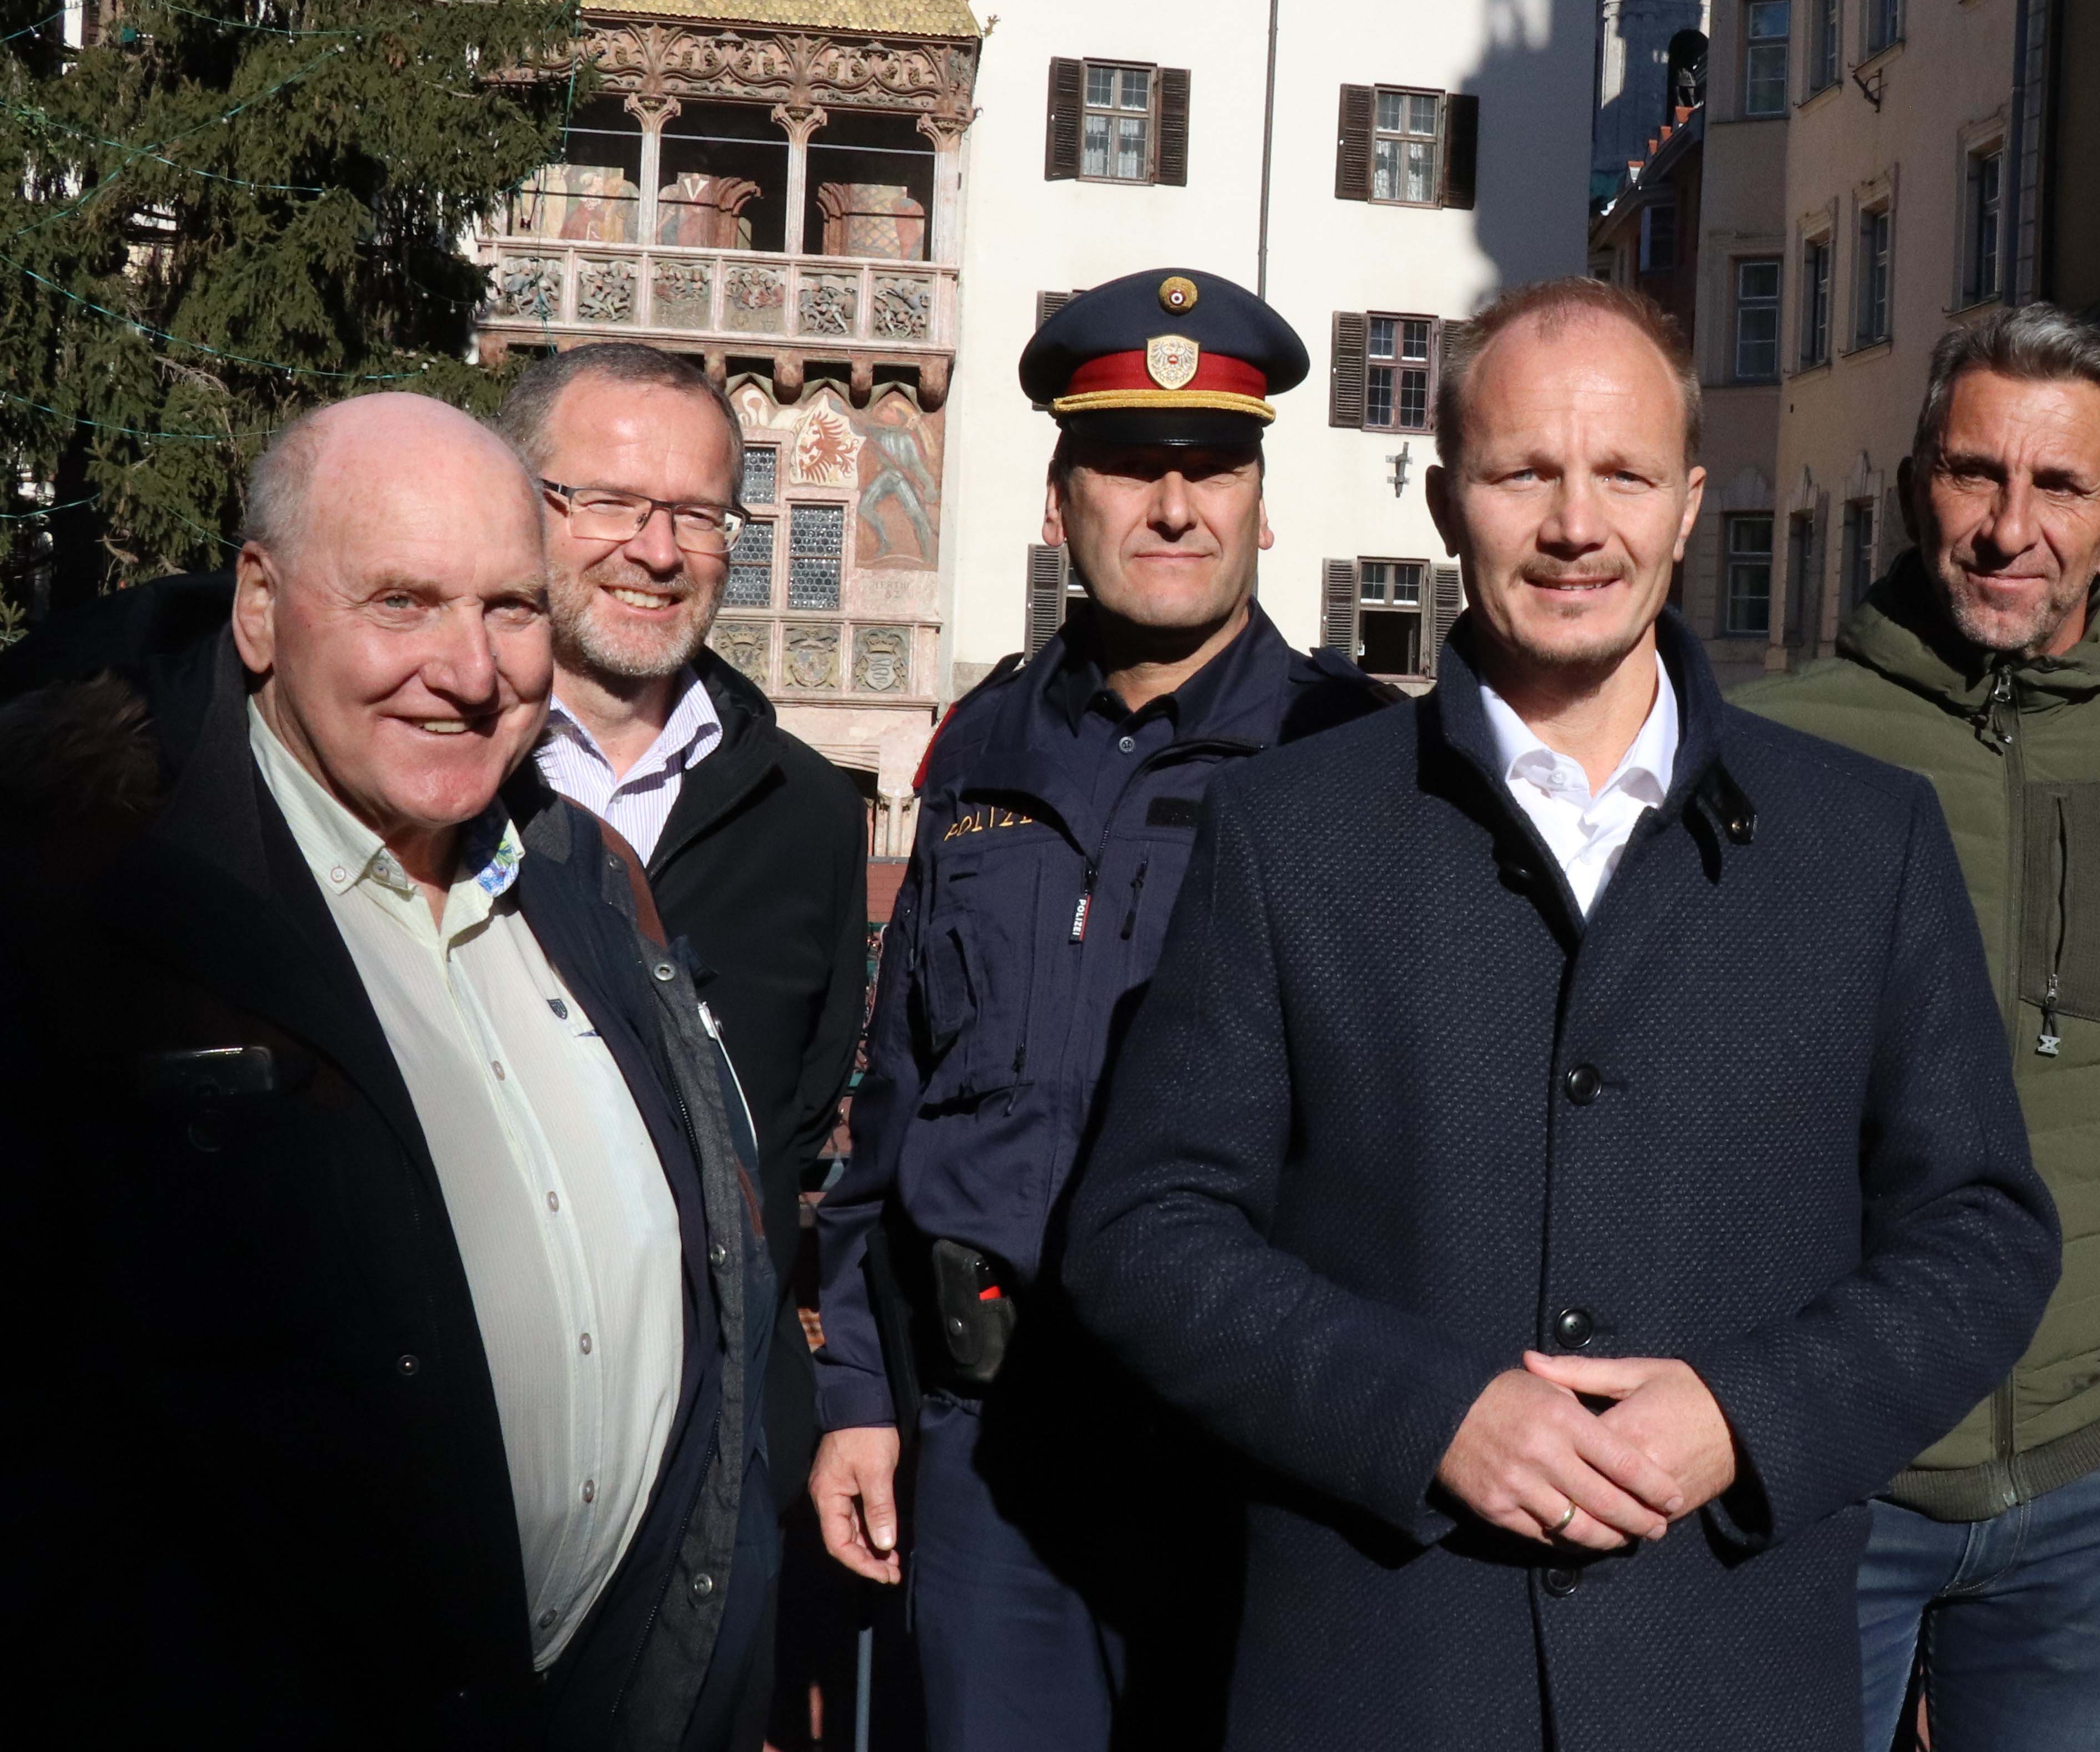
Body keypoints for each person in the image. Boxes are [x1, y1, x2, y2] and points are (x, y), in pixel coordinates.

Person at [1062, 276, 2064, 1752]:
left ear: (1689, 502)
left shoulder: (1866, 839)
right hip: (1385, 1673)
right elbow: (1146, 1233)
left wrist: (1740, 1411)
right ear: (1447, 497)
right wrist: (1430, 1412)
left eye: (1624, 475)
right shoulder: (1290, 831)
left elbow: (1982, 1233)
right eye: (1525, 470)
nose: (1576, 523)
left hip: (1724, 1669)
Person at [0, 392, 774, 1749]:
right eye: (403, 603)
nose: (471, 672)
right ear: (260, 606)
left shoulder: (597, 894)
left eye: (512, 610)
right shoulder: (87, 911)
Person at [805, 269, 1389, 1750]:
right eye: (1134, 467)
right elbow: (896, 1099)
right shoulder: (979, 747)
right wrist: (860, 1391)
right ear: (1065, 496)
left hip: (1251, 1458)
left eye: (1215, 470)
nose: (1177, 507)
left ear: (1262, 498)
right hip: (996, 1450)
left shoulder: (1358, 767)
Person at [1735, 303, 2100, 1752]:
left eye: (2060, 486)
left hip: (2095, 1475)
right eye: (1977, 474)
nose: (2008, 526)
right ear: (1921, 483)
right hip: (1822, 1466)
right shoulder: (1771, 749)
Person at [500, 344, 869, 1557]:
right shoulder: (437, 769)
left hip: (718, 1481)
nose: (657, 552)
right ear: (519, 505)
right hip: (480, 1464)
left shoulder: (807, 811)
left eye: (699, 515)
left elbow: (802, 1113)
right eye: (609, 501)